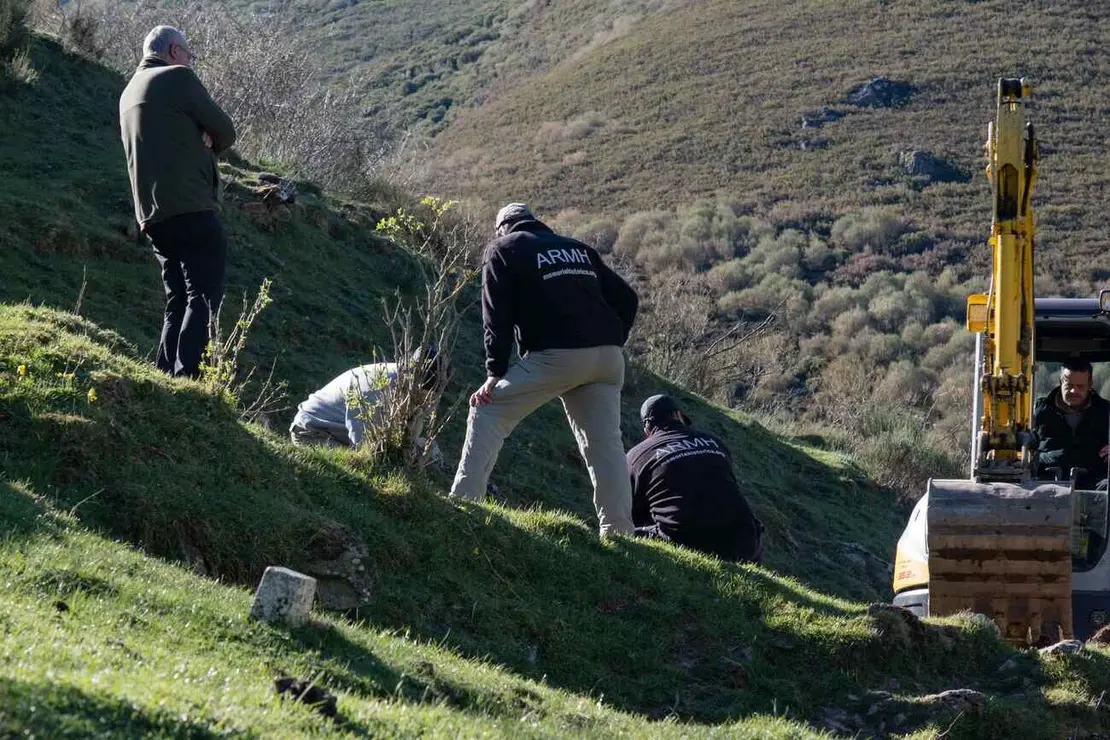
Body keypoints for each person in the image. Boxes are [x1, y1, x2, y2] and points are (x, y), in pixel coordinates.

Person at [449, 203, 639, 536]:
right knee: (605, 445)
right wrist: (612, 338)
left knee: (488, 411)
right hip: (609, 360)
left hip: (559, 355)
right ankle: (619, 532)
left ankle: (463, 505)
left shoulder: (503, 249)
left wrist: (495, 371)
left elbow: (496, 317)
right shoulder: (577, 248)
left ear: (503, 227)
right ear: (537, 223)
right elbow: (628, 298)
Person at [119, 25, 237, 378]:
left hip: (152, 215)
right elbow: (226, 131)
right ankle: (189, 377)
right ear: (174, 52)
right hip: (191, 206)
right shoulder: (178, 77)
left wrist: (193, 131)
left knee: (178, 299)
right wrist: (207, 135)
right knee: (203, 294)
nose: (190, 61)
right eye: (188, 54)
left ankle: (165, 375)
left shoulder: (127, 94)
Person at [626, 394, 764, 563]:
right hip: (744, 542)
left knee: (628, 529)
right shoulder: (714, 442)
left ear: (647, 430)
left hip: (688, 542)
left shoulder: (636, 456)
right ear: (679, 416)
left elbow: (630, 510)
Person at [289, 346, 445, 458]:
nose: (428, 400)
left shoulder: (410, 390)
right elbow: (364, 449)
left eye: (432, 395)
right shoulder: (375, 388)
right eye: (423, 393)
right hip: (313, 433)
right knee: (361, 468)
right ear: (410, 377)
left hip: (341, 433)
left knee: (428, 450)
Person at [1033, 358, 1110, 489]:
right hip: (1047, 480)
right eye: (1069, 386)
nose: (1074, 391)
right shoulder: (1039, 411)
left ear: (1090, 385)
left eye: (1080, 386)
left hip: (1094, 480)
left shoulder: (1105, 412)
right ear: (1060, 382)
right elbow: (1024, 444)